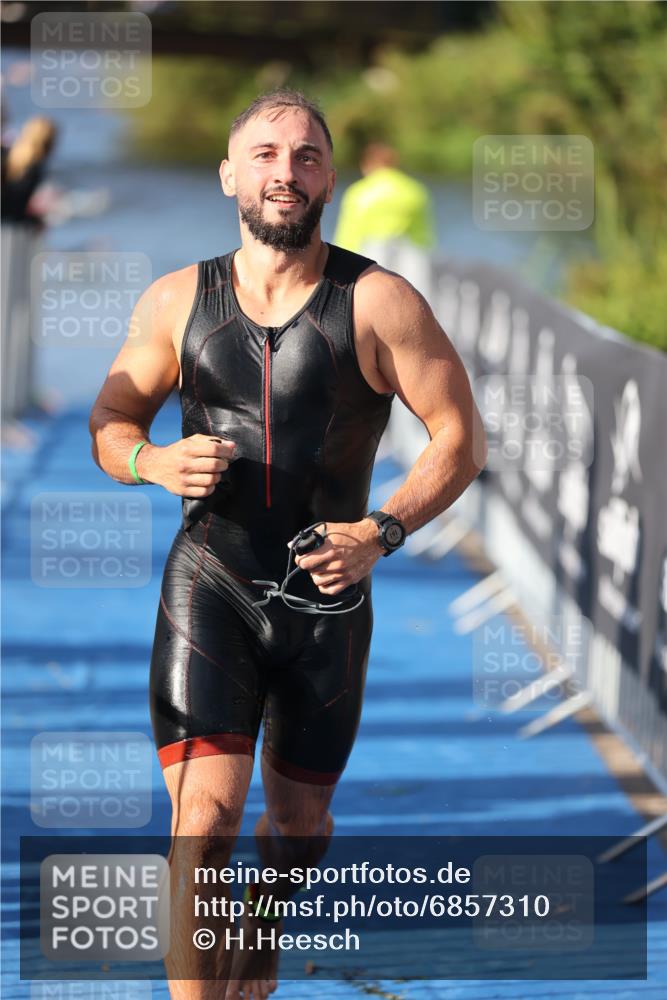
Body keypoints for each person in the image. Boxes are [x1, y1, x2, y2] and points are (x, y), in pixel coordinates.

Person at [89, 88, 486, 1000]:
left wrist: (380, 532)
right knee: (203, 820)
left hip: (326, 601)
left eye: (306, 156)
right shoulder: (177, 299)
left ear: (330, 179)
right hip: (211, 584)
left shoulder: (378, 302)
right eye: (265, 155)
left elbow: (460, 439)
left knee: (298, 829)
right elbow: (111, 419)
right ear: (228, 175)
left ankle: (264, 918)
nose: (285, 171)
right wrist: (151, 461)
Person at [333, 141, 435, 254]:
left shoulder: (358, 193)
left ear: (367, 164)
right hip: (409, 256)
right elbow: (423, 235)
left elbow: (347, 236)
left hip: (370, 255)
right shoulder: (415, 190)